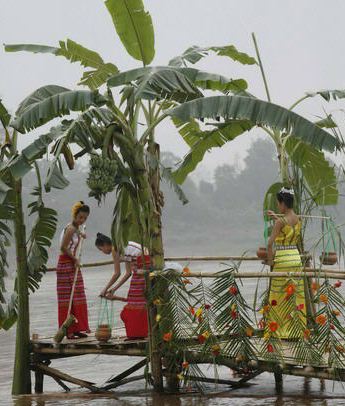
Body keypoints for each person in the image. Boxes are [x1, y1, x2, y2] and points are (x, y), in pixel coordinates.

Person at [266, 187, 306, 339]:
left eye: (278, 203)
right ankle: (296, 330)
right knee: (295, 295)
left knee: (279, 295)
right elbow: (287, 223)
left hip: (282, 259)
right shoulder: (298, 219)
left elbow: (270, 244)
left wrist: (270, 262)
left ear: (283, 203)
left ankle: (280, 332)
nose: (278, 206)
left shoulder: (279, 222)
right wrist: (275, 216)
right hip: (295, 258)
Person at [95, 233, 150, 338]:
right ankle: (140, 330)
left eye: (101, 249)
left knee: (135, 301)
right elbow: (128, 273)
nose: (103, 252)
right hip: (143, 263)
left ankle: (138, 331)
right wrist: (113, 289)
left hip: (143, 264)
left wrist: (104, 290)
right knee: (137, 300)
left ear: (106, 245)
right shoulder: (121, 246)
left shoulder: (115, 249)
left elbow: (117, 273)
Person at [56, 201, 91, 339]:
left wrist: (81, 235)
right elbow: (64, 247)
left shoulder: (76, 228)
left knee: (78, 296)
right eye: (80, 217)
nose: (82, 220)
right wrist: (75, 259)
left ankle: (77, 328)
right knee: (67, 298)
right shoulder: (70, 228)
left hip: (72, 264)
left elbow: (75, 233)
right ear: (75, 215)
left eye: (85, 218)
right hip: (65, 264)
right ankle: (68, 331)